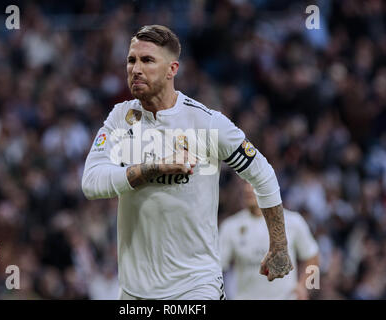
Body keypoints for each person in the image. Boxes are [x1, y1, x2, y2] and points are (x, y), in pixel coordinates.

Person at [81, 25, 293, 300]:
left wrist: (279, 244)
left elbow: (262, 173)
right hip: (135, 291)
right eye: (131, 60)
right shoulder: (120, 118)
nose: (135, 69)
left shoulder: (206, 122)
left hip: (195, 286)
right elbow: (91, 183)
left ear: (172, 69)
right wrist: (153, 168)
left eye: (147, 60)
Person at [219, 182, 320, 299]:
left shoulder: (293, 221)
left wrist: (305, 286)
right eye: (245, 183)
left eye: (253, 182)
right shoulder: (230, 226)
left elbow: (313, 258)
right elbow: (217, 267)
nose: (247, 188)